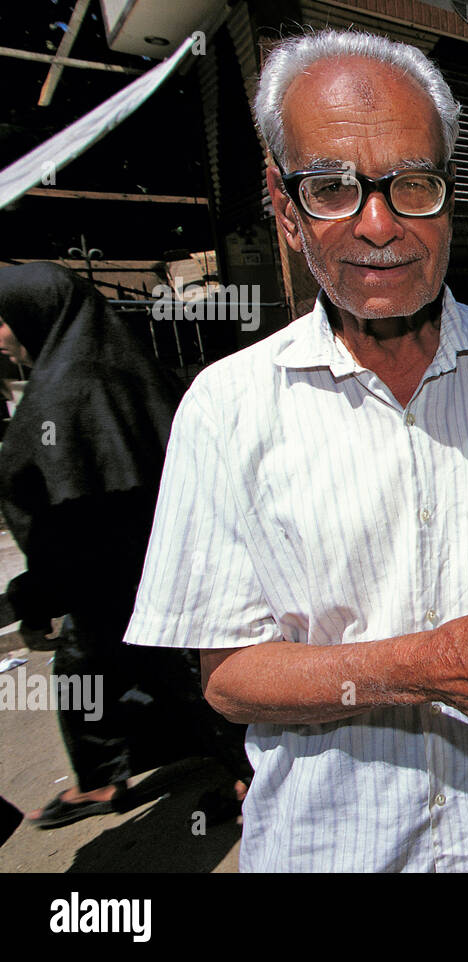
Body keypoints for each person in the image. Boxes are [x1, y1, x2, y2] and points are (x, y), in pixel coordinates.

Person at [124, 30, 468, 872]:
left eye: (413, 184)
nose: (379, 226)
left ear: (449, 194)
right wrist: (423, 667)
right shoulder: (226, 409)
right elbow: (227, 678)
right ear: (284, 209)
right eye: (331, 188)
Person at [0, 262, 250, 830]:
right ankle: (104, 776)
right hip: (137, 568)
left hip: (123, 575)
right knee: (99, 674)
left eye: (4, 319)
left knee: (189, 680)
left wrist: (35, 594)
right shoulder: (119, 365)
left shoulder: (71, 389)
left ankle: (252, 780)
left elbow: (75, 512)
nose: (1, 334)